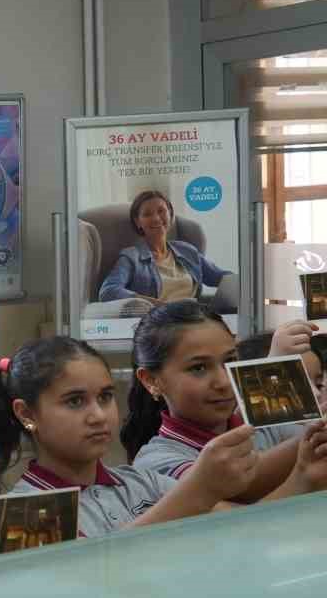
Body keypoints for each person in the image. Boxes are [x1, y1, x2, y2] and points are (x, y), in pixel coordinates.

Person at [0, 337, 324, 537]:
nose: (98, 415)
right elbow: (91, 580)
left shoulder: (140, 482)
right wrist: (201, 489)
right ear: (26, 414)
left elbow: (237, 532)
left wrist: (303, 474)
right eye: (74, 401)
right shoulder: (23, 508)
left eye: (105, 397)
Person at [122, 302, 308, 503]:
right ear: (151, 381)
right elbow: (230, 488)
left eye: (229, 361)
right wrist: (311, 441)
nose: (224, 382)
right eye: (199, 368)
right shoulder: (155, 462)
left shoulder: (264, 427)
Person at [97, 189, 230, 304]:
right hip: (159, 322)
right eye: (147, 214)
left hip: (194, 318)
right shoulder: (131, 257)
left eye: (161, 211)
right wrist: (154, 304)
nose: (156, 218)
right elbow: (108, 291)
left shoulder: (188, 251)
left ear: (170, 214)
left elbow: (221, 278)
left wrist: (247, 279)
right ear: (138, 222)